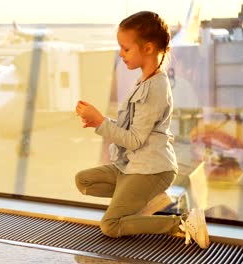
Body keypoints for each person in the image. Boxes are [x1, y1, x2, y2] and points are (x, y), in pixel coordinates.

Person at [75, 11, 209, 249]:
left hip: (151, 169)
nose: (120, 54)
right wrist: (100, 121)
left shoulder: (154, 89)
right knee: (84, 180)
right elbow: (133, 130)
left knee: (111, 225)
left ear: (147, 49)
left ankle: (182, 222)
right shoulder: (144, 80)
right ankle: (146, 199)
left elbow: (134, 140)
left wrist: (100, 122)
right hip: (133, 165)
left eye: (126, 49)